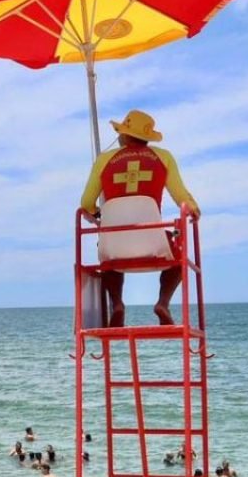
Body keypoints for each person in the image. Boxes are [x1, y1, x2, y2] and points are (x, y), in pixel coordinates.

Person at [78, 110, 199, 327]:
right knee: (178, 251)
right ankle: (162, 303)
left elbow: (86, 204)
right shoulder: (163, 157)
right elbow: (182, 197)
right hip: (153, 242)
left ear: (125, 135)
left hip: (115, 246)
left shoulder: (104, 160)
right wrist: (194, 210)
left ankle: (117, 304)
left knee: (104, 250)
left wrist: (97, 214)